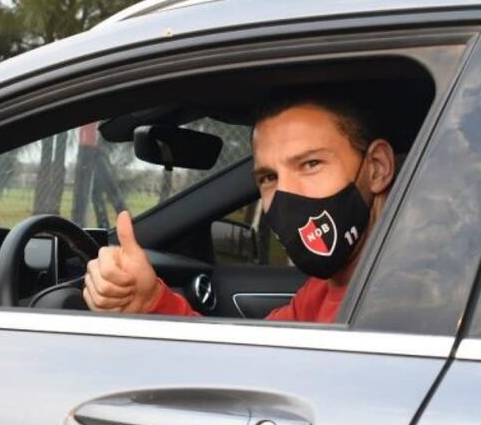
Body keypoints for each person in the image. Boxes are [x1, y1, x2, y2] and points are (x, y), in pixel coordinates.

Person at [82, 94, 396, 322]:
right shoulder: (325, 291)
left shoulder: (411, 299)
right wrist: (150, 301)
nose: (286, 196)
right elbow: (252, 366)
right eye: (270, 177)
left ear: (377, 168)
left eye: (310, 164)